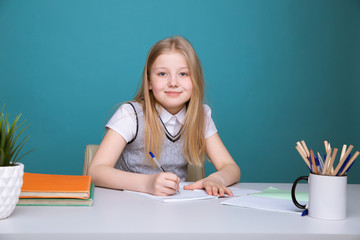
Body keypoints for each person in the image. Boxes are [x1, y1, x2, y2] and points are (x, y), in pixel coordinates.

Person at [88, 36, 240, 197]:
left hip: (175, 209)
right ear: (149, 82)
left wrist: (217, 178)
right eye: (162, 74)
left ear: (196, 80)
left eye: (183, 73)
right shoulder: (131, 115)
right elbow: (96, 171)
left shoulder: (200, 116)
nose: (173, 82)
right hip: (127, 206)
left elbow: (230, 166)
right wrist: (147, 184)